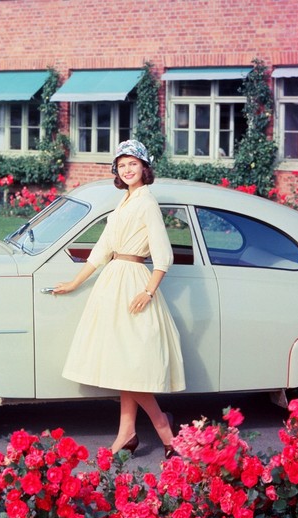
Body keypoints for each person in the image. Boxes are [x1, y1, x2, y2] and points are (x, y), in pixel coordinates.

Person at [53, 140, 185, 458]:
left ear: (144, 167)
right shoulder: (124, 201)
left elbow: (163, 256)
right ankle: (127, 432)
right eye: (122, 165)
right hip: (113, 282)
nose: (127, 170)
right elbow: (102, 249)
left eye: (132, 164)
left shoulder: (146, 202)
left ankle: (165, 433)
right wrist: (74, 283)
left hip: (135, 282)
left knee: (132, 364)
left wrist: (148, 291)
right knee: (124, 365)